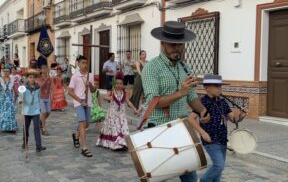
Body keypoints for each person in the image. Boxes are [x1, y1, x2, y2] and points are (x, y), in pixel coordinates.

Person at [142, 21, 209, 182]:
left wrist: (202, 110)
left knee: (190, 177)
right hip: (158, 130)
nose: (177, 48)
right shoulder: (151, 68)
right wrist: (180, 93)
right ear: (163, 43)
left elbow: (191, 96)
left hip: (181, 129)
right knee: (157, 178)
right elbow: (153, 102)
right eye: (173, 45)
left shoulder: (185, 67)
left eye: (180, 45)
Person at [188, 74, 243, 182]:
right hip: (211, 140)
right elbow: (191, 119)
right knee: (219, 166)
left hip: (222, 139)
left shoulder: (222, 102)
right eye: (216, 86)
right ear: (207, 88)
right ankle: (203, 180)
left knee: (217, 173)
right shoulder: (202, 102)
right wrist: (203, 133)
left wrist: (240, 117)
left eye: (220, 86)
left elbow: (232, 118)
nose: (220, 88)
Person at [96, 72, 138, 150]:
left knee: (122, 128)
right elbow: (104, 97)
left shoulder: (125, 93)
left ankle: (123, 143)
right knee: (114, 128)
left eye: (120, 83)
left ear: (123, 84)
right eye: (117, 83)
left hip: (121, 115)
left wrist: (134, 109)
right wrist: (109, 98)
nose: (119, 85)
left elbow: (128, 102)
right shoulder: (112, 92)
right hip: (112, 115)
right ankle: (116, 144)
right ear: (115, 84)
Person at [68, 55, 95, 158]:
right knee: (83, 124)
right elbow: (69, 91)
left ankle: (76, 135)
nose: (85, 65)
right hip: (79, 103)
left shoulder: (90, 75)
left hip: (88, 102)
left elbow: (93, 91)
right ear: (78, 64)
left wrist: (90, 85)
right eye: (83, 63)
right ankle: (85, 147)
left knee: (87, 124)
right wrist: (80, 100)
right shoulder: (75, 77)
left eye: (86, 63)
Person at [21, 69, 47, 152]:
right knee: (26, 127)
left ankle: (38, 145)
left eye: (33, 77)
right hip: (27, 110)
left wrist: (40, 107)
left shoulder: (38, 87)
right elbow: (20, 96)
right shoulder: (24, 88)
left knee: (36, 127)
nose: (32, 79)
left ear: (35, 78)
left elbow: (39, 97)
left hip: (35, 110)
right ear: (27, 78)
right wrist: (21, 100)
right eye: (30, 77)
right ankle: (25, 143)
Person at [0, 64, 17, 132]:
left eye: (7, 71)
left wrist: (19, 93)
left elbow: (15, 90)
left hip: (9, 98)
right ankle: (3, 127)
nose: (6, 72)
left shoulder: (12, 79)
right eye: (5, 71)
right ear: (3, 72)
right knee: (2, 112)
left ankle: (11, 127)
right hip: (1, 98)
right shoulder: (0, 79)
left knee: (9, 112)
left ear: (10, 72)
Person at [38, 64, 53, 136]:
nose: (44, 70)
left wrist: (52, 98)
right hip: (41, 97)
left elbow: (51, 89)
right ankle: (44, 129)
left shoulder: (50, 78)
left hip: (47, 97)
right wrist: (45, 80)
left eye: (45, 68)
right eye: (43, 68)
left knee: (48, 112)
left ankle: (41, 121)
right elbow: (40, 86)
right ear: (41, 70)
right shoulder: (39, 78)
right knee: (43, 112)